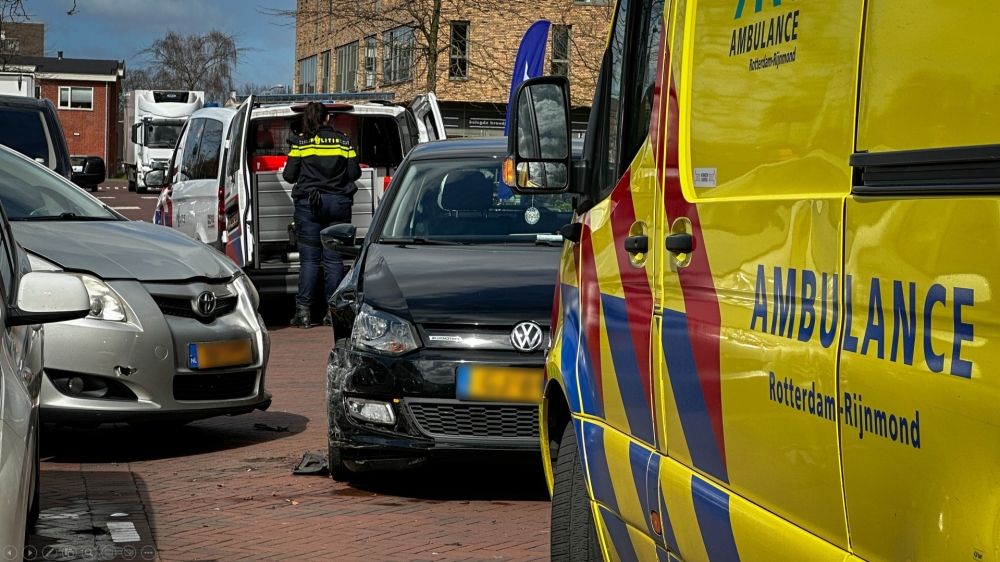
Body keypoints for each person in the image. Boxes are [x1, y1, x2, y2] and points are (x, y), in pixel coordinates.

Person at [282, 102, 361, 328]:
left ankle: (303, 314)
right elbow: (354, 173)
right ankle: (333, 313)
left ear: (307, 119)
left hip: (309, 206)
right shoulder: (344, 141)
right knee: (334, 259)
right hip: (338, 204)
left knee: (309, 261)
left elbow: (289, 176)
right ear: (327, 118)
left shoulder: (300, 143)